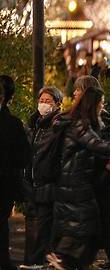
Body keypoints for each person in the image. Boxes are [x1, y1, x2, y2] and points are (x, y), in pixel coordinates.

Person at [48, 87, 110, 270]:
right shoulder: (80, 124)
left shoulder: (80, 122)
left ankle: (64, 258)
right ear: (93, 104)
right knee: (85, 225)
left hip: (75, 183)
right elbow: (96, 144)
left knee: (82, 225)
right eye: (101, 103)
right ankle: (62, 258)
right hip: (74, 184)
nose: (102, 107)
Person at [24, 87, 64, 267]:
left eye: (49, 101)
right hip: (33, 183)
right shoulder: (34, 123)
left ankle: (38, 261)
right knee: (36, 227)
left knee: (44, 228)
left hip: (48, 184)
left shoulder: (56, 125)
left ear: (57, 104)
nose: (44, 104)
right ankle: (36, 261)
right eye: (42, 100)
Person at [0, 76, 30, 270]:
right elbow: (24, 158)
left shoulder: (12, 124)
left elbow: (24, 157)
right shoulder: (12, 124)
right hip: (5, 185)